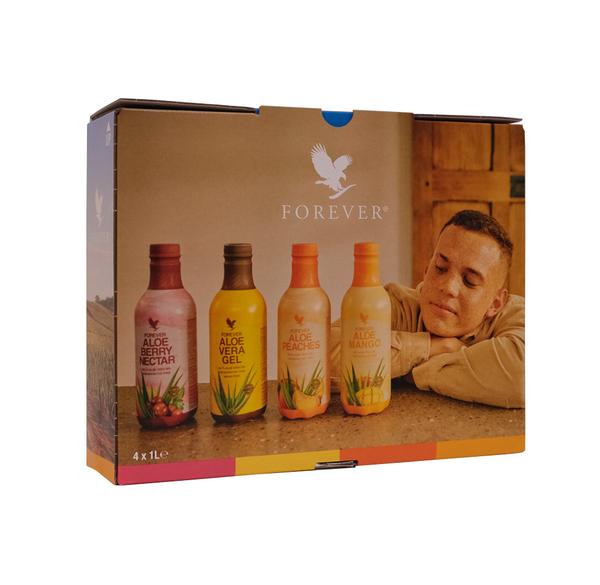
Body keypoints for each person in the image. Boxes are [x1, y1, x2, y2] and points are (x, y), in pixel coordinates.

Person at [330, 210, 525, 408]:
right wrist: (431, 346)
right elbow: (321, 355)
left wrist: (410, 369)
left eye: (469, 281)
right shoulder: (392, 304)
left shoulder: (518, 315)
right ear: (427, 270)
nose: (448, 287)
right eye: (440, 268)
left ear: (495, 303)